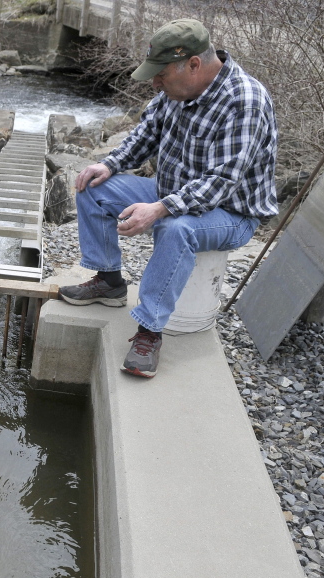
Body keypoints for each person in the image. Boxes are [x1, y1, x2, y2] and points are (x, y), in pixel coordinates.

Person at [58, 18, 278, 378]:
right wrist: (109, 165)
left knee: (177, 228)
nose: (155, 83)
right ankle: (109, 281)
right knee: (93, 186)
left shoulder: (244, 100)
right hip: (173, 194)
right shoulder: (175, 92)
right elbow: (144, 136)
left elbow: (221, 181)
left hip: (231, 212)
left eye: (161, 75)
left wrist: (159, 209)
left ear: (194, 64)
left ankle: (149, 331)